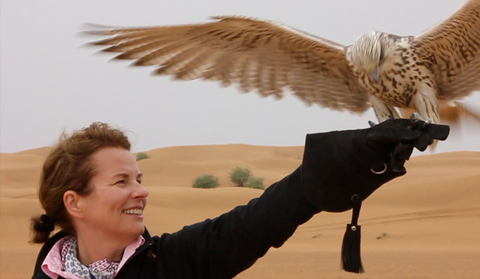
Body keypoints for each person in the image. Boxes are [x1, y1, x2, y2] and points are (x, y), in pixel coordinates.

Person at [31, 119, 448, 279]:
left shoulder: (178, 262)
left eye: (140, 178)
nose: (141, 191)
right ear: (75, 202)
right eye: (121, 181)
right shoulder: (45, 275)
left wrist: (350, 155)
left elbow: (257, 221)